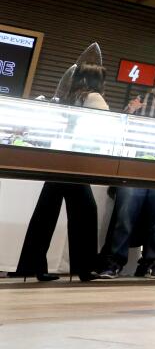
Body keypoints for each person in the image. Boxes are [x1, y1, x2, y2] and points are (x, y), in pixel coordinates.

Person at [12, 44, 108, 282]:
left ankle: (31, 265)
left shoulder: (69, 96)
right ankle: (84, 269)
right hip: (76, 163)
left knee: (46, 212)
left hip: (59, 159)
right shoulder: (93, 97)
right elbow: (106, 124)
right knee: (85, 212)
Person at [95, 66, 155, 280]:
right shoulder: (140, 100)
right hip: (135, 168)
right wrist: (130, 111)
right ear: (154, 81)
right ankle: (113, 263)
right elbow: (122, 127)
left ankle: (153, 263)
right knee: (125, 216)